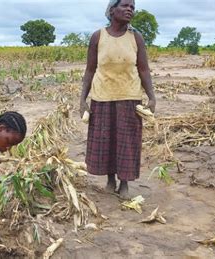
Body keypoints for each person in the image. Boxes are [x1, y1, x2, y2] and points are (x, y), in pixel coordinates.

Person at [80, 0, 156, 199]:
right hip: (102, 97)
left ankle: (124, 183)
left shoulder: (136, 37)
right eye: (125, 5)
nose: (130, 9)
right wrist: (82, 101)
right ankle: (110, 180)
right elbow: (90, 70)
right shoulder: (98, 36)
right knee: (105, 141)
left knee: (126, 142)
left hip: (129, 98)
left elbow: (144, 69)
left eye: (132, 7)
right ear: (112, 10)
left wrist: (152, 97)